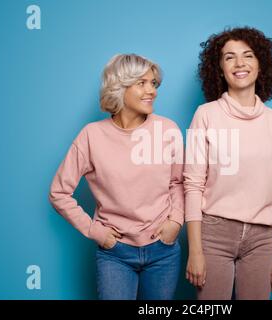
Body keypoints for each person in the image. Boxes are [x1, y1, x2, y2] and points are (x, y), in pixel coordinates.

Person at [49, 54, 184, 300]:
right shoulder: (91, 136)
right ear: (120, 86)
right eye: (141, 83)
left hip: (163, 250)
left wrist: (176, 221)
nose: (151, 91)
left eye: (153, 83)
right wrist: (95, 232)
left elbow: (177, 182)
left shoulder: (167, 129)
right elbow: (59, 193)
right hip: (115, 254)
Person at [184, 27, 272, 300]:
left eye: (248, 55)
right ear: (219, 69)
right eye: (229, 57)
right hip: (214, 233)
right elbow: (193, 185)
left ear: (260, 64)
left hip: (263, 238)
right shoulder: (206, 115)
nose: (240, 63)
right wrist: (195, 251)